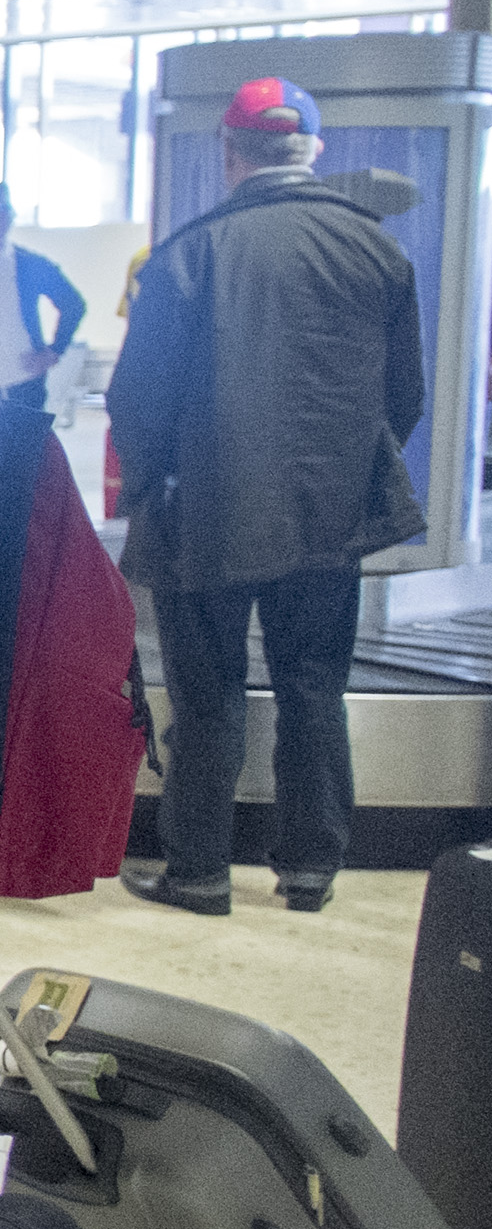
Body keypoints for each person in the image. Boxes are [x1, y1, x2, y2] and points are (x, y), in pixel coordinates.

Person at [108, 77, 425, 918]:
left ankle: (199, 872)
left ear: (230, 153)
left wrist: (150, 488)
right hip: (330, 515)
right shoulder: (379, 251)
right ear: (313, 150)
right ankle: (312, 870)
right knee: (313, 689)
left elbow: (138, 400)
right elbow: (405, 396)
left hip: (203, 515)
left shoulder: (190, 254)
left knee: (208, 700)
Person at [0, 181, 85, 407]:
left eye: (3, 218)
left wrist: (54, 351)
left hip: (23, 382)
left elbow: (73, 304)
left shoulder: (27, 264)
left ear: (10, 220)